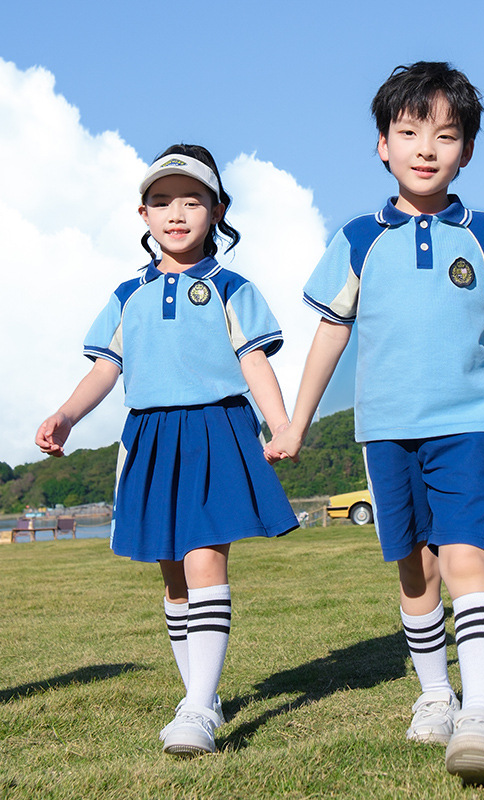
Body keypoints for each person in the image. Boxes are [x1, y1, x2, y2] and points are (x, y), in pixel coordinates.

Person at [268, 62, 484, 783]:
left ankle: (481, 715)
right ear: (382, 144)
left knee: (466, 556)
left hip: (468, 425)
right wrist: (296, 420)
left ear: (466, 151)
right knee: (414, 569)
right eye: (409, 131)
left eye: (445, 136)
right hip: (384, 430)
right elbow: (329, 333)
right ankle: (435, 696)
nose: (426, 147)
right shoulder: (358, 237)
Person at [35, 145, 298, 756]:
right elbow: (106, 369)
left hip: (216, 429)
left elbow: (253, 361)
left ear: (217, 209)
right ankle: (197, 694)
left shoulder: (232, 286)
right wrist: (67, 415)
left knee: (205, 556)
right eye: (161, 201)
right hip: (150, 437)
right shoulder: (127, 294)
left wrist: (281, 424)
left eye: (191, 200)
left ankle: (201, 707)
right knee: (173, 572)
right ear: (142, 214)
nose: (175, 213)